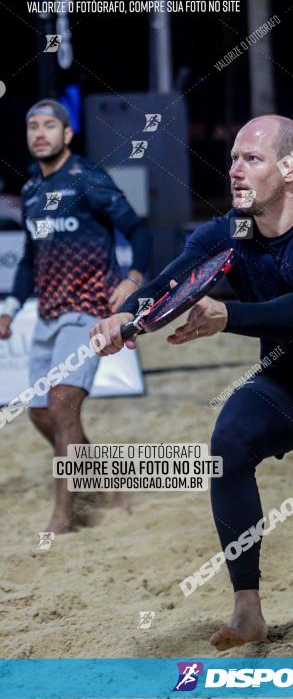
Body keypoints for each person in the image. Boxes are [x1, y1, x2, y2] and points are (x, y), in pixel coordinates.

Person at [92, 115, 293, 649]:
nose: (235, 170)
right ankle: (248, 610)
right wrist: (125, 319)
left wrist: (230, 317)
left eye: (252, 159)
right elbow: (175, 279)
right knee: (229, 443)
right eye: (233, 158)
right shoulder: (231, 230)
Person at [0, 99, 151, 533]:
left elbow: (138, 229)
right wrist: (10, 308)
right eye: (33, 126)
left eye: (50, 125)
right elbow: (30, 258)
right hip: (45, 315)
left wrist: (134, 277)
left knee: (64, 405)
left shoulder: (89, 179)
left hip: (86, 313)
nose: (40, 133)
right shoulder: (30, 191)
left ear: (67, 135)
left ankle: (63, 517)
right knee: (41, 414)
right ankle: (106, 483)